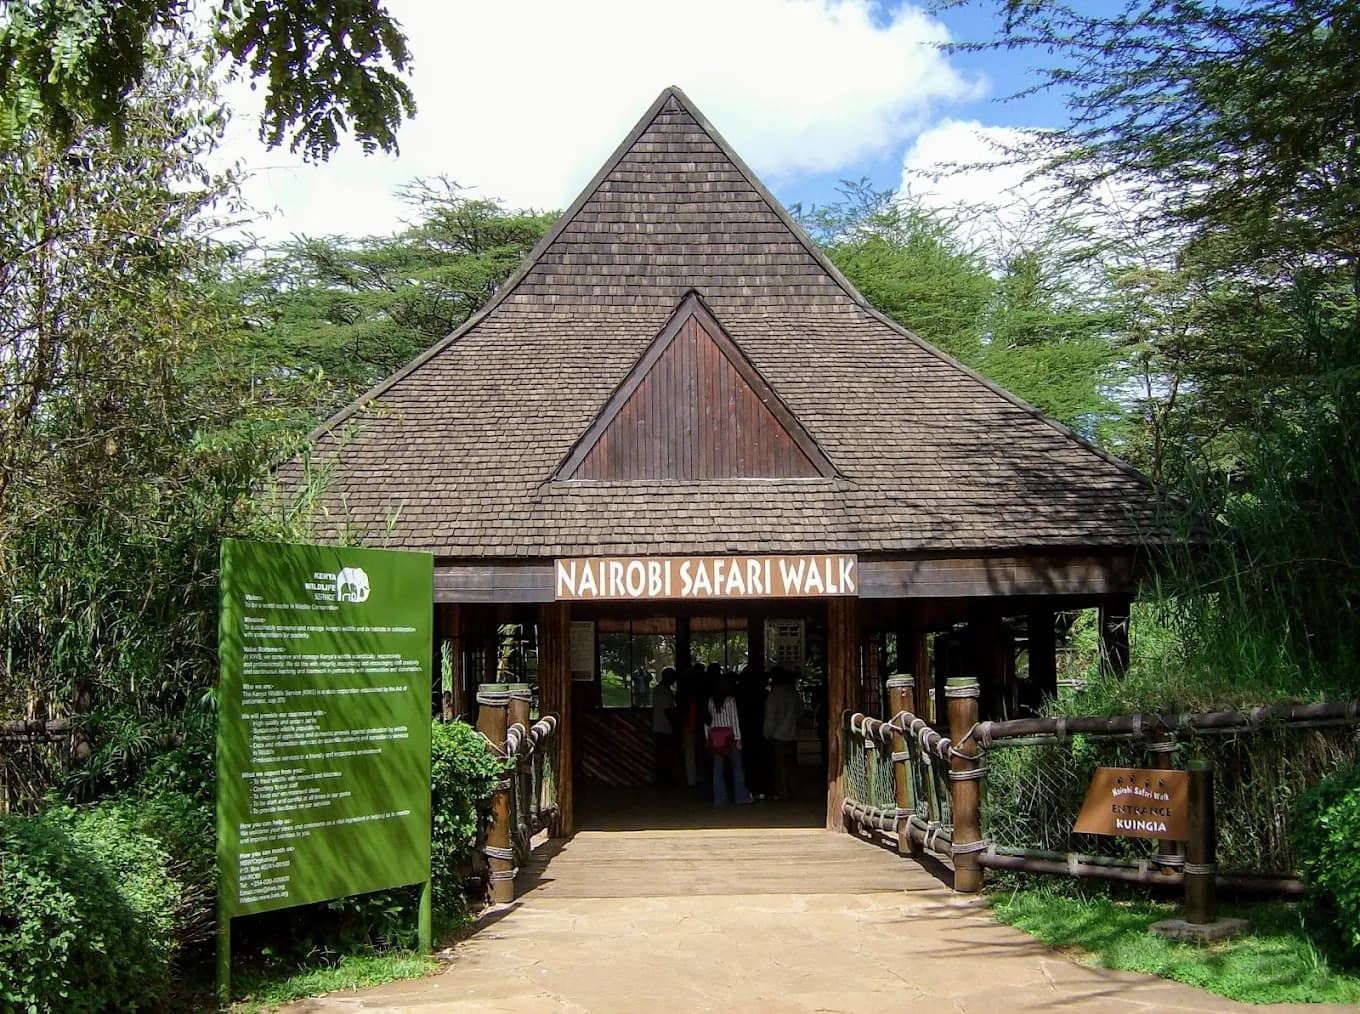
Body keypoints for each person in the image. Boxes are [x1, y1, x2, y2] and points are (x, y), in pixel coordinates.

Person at [705, 674, 752, 805]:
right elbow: (734, 720)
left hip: (715, 738)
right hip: (729, 737)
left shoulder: (710, 701)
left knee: (717, 768)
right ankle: (741, 796)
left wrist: (707, 737)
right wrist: (738, 738)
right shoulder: (730, 700)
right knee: (737, 766)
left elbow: (707, 721)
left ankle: (719, 797)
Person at [763, 667, 802, 800]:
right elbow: (800, 712)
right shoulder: (793, 694)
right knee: (791, 764)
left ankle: (782, 791)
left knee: (780, 766)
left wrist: (766, 733)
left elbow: (770, 718)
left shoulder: (773, 695)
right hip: (792, 734)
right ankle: (793, 790)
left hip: (777, 736)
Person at [651, 667, 679, 786]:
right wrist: (675, 726)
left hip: (660, 727)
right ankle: (665, 781)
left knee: (662, 756)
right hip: (664, 728)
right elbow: (669, 711)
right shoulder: (664, 692)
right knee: (665, 757)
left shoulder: (659, 690)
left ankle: (663, 780)